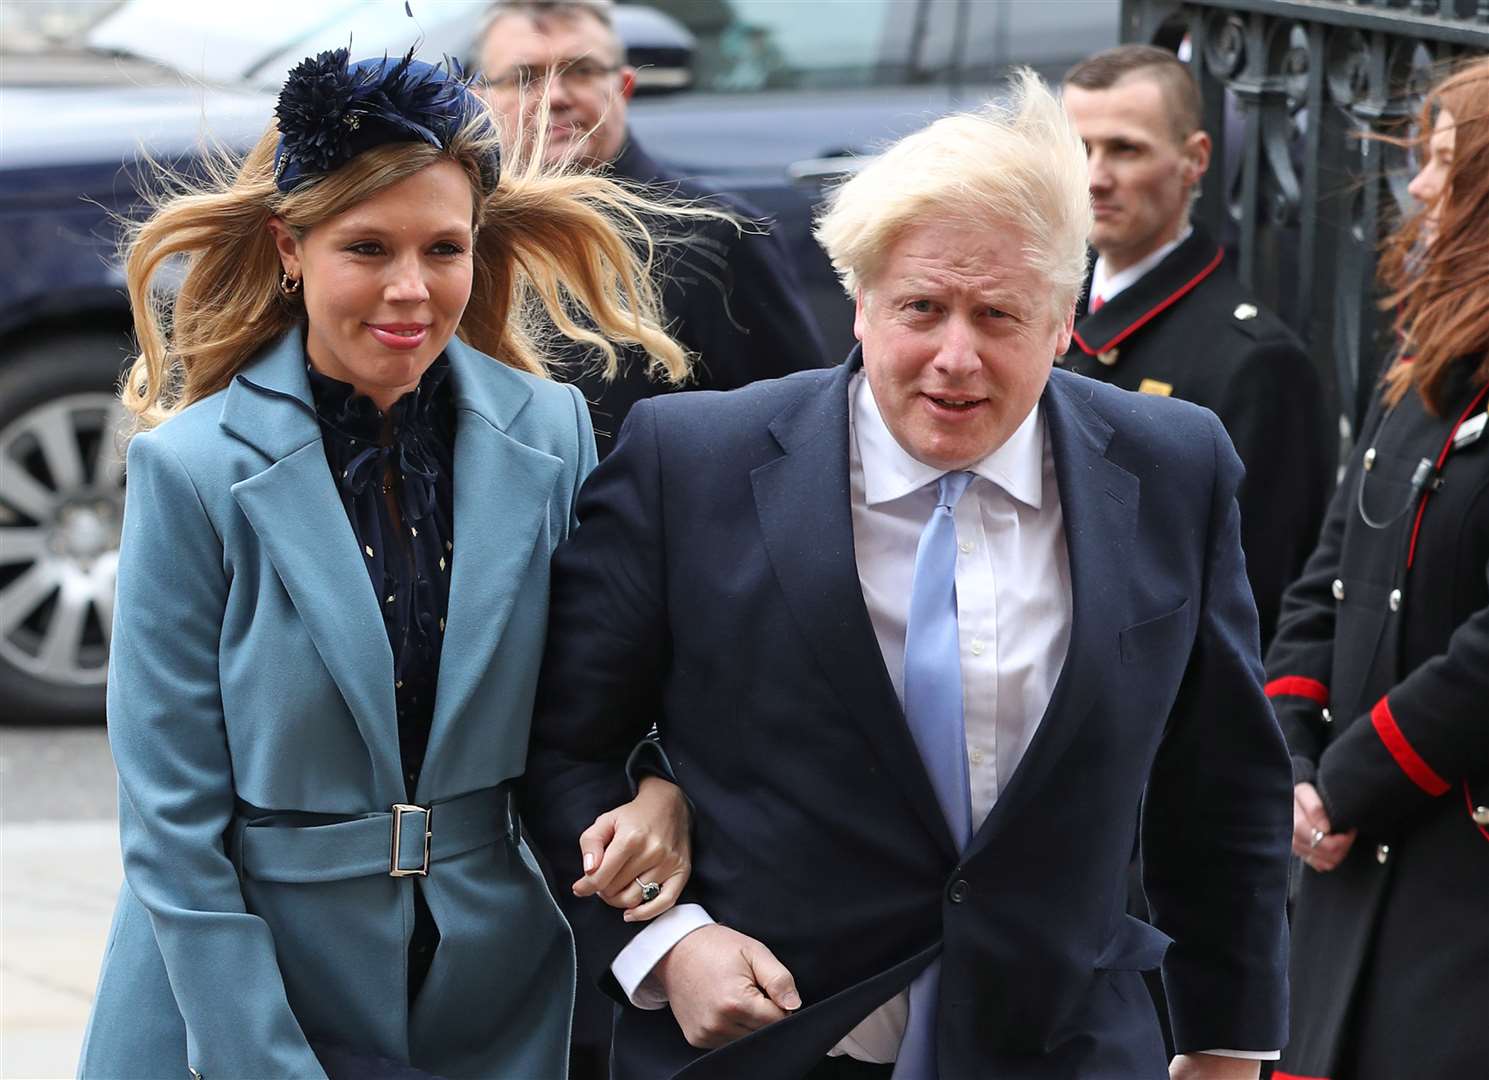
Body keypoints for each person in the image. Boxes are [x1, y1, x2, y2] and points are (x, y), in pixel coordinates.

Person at [524, 71, 1292, 1080]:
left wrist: (1227, 1044)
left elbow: (1222, 783)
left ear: (1064, 319)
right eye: (922, 308)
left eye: (1000, 316)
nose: (955, 357)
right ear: (859, 305)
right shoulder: (692, 465)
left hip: (1062, 1045)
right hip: (770, 1045)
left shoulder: (1170, 467)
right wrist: (667, 949)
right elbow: (557, 748)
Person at [77, 49, 695, 1080]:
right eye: (366, 247)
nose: (410, 291)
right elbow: (173, 832)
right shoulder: (190, 471)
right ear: (290, 247)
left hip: (488, 990)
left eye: (442, 249)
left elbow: (610, 701)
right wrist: (259, 1059)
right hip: (240, 997)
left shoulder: (549, 433)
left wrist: (661, 787)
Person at [1265, 58, 1489, 1080]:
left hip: (1452, 884)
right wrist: (1294, 758)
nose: (1426, 192)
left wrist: (1351, 783)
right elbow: (1330, 573)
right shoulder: (1429, 358)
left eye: (1452, 166)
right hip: (1347, 859)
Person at [1060, 44, 1330, 652]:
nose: (1095, 176)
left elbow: (1253, 597)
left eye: (1125, 149)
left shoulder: (1254, 363)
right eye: (1079, 149)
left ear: (1194, 159)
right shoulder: (1043, 310)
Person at [477, 0, 829, 455]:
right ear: (481, 96)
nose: (556, 95)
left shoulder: (717, 236)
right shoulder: (458, 238)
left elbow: (799, 429)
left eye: (581, 71)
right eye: (524, 77)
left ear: (623, 85)